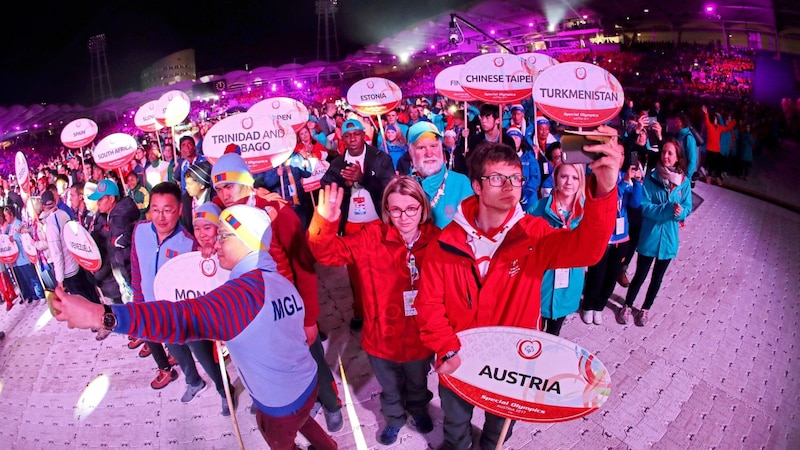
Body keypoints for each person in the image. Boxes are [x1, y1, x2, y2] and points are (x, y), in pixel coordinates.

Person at [51, 205, 338, 450]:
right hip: (307, 383)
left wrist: (101, 315)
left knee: (279, 439)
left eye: (224, 236)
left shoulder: (242, 297)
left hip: (278, 405)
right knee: (304, 421)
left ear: (247, 241)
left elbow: (178, 318)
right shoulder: (278, 279)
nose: (216, 243)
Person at [414, 134, 622, 450]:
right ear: (477, 186)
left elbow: (588, 250)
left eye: (515, 178)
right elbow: (428, 304)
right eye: (498, 178)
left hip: (510, 366)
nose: (510, 186)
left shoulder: (534, 235)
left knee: (499, 431)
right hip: (459, 358)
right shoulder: (446, 243)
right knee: (455, 425)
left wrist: (604, 191)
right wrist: (445, 347)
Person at [211, 153, 344, 430]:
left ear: (247, 183)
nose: (224, 194)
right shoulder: (220, 215)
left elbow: (304, 268)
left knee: (312, 359)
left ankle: (331, 403)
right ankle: (298, 403)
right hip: (254, 312)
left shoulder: (277, 212)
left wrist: (309, 319)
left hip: (288, 308)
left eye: (229, 186)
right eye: (219, 189)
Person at [309, 177, 438, 445]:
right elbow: (328, 254)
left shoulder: (437, 240)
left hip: (420, 337)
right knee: (389, 388)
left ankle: (418, 409)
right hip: (381, 338)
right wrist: (325, 223)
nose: (403, 217)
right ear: (386, 210)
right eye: (395, 209)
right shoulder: (371, 236)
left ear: (423, 208)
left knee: (418, 382)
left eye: (411, 209)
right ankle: (394, 418)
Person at [130, 182, 231, 407]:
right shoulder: (140, 231)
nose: (161, 217)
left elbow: (207, 273)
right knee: (175, 349)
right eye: (155, 209)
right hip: (155, 311)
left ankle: (224, 390)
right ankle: (193, 382)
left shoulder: (188, 243)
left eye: (167, 210)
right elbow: (136, 270)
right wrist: (139, 302)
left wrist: (208, 252)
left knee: (203, 354)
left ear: (178, 210)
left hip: (184, 314)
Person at [320, 118, 395, 330]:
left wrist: (363, 179)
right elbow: (326, 187)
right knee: (357, 274)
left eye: (356, 134)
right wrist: (344, 184)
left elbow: (389, 188)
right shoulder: (336, 164)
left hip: (377, 224)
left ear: (364, 135)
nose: (353, 139)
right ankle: (361, 311)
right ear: (342, 139)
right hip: (352, 226)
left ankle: (385, 309)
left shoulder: (380, 158)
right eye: (348, 136)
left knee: (384, 270)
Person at [618, 137, 692, 327]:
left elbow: (687, 207)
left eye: (670, 153)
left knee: (657, 279)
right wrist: (668, 210)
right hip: (650, 237)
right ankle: (627, 305)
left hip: (669, 239)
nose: (666, 156)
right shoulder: (651, 177)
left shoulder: (683, 183)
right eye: (664, 152)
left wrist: (680, 212)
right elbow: (645, 206)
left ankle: (645, 309)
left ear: (677, 158)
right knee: (640, 275)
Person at [581, 154, 643, 325]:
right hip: (603, 236)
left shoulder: (626, 180)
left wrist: (637, 182)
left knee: (610, 276)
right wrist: (624, 182)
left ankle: (599, 306)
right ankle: (588, 305)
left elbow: (636, 204)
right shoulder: (603, 178)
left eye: (623, 156)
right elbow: (611, 198)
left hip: (621, 237)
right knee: (596, 274)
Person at [526, 163, 587, 336]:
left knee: (554, 333)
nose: (569, 182)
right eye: (564, 176)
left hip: (569, 283)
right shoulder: (537, 209)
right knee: (533, 334)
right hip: (540, 283)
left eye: (575, 178)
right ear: (555, 178)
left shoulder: (586, 213)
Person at [405, 122, 473, 229]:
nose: (429, 153)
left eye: (433, 146)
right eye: (421, 147)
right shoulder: (403, 187)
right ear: (411, 152)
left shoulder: (461, 183)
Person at [2, 206, 45, 304]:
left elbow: (25, 237)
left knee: (32, 276)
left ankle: (41, 294)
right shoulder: (9, 227)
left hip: (24, 256)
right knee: (26, 278)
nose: (5, 218)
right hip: (17, 260)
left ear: (11, 215)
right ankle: (33, 295)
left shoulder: (19, 224)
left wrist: (15, 237)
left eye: (6, 216)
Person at [701, 105, 736, 186]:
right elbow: (706, 121)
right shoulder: (710, 127)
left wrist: (734, 122)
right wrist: (706, 113)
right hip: (710, 149)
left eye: (716, 119)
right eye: (715, 119)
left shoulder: (720, 128)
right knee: (710, 164)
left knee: (717, 165)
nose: (716, 120)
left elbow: (727, 128)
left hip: (717, 150)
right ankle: (708, 177)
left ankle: (717, 177)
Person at [180, 160, 214, 235]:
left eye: (189, 184)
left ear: (202, 185)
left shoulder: (214, 200)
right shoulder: (185, 200)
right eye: (186, 183)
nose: (186, 187)